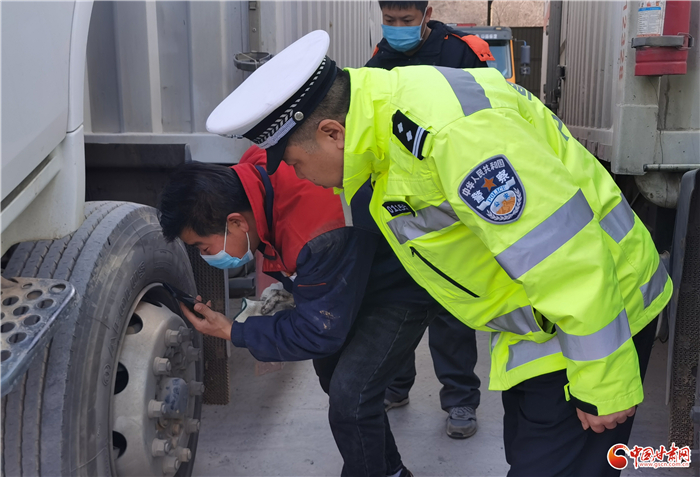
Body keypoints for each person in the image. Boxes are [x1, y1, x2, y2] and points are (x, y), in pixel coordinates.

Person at [204, 30, 673, 476]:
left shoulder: (450, 137)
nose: (298, 176)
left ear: (332, 133)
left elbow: (565, 255)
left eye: (295, 163)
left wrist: (604, 381)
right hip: (549, 323)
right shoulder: (387, 120)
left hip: (598, 321)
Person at [158, 144, 444, 477]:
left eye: (203, 247)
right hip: (355, 273)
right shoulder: (256, 169)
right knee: (334, 377)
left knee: (351, 397)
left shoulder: (315, 234)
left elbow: (318, 331)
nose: (207, 256)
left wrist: (232, 330)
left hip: (402, 283)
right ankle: (392, 471)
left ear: (236, 222)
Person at [366, 0, 493, 439]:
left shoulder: (462, 52)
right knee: (396, 301)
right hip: (399, 205)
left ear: (427, 14)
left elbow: (490, 122)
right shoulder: (379, 60)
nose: (396, 28)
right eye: (389, 20)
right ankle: (396, 385)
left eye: (406, 20)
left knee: (450, 305)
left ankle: (460, 399)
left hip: (450, 203)